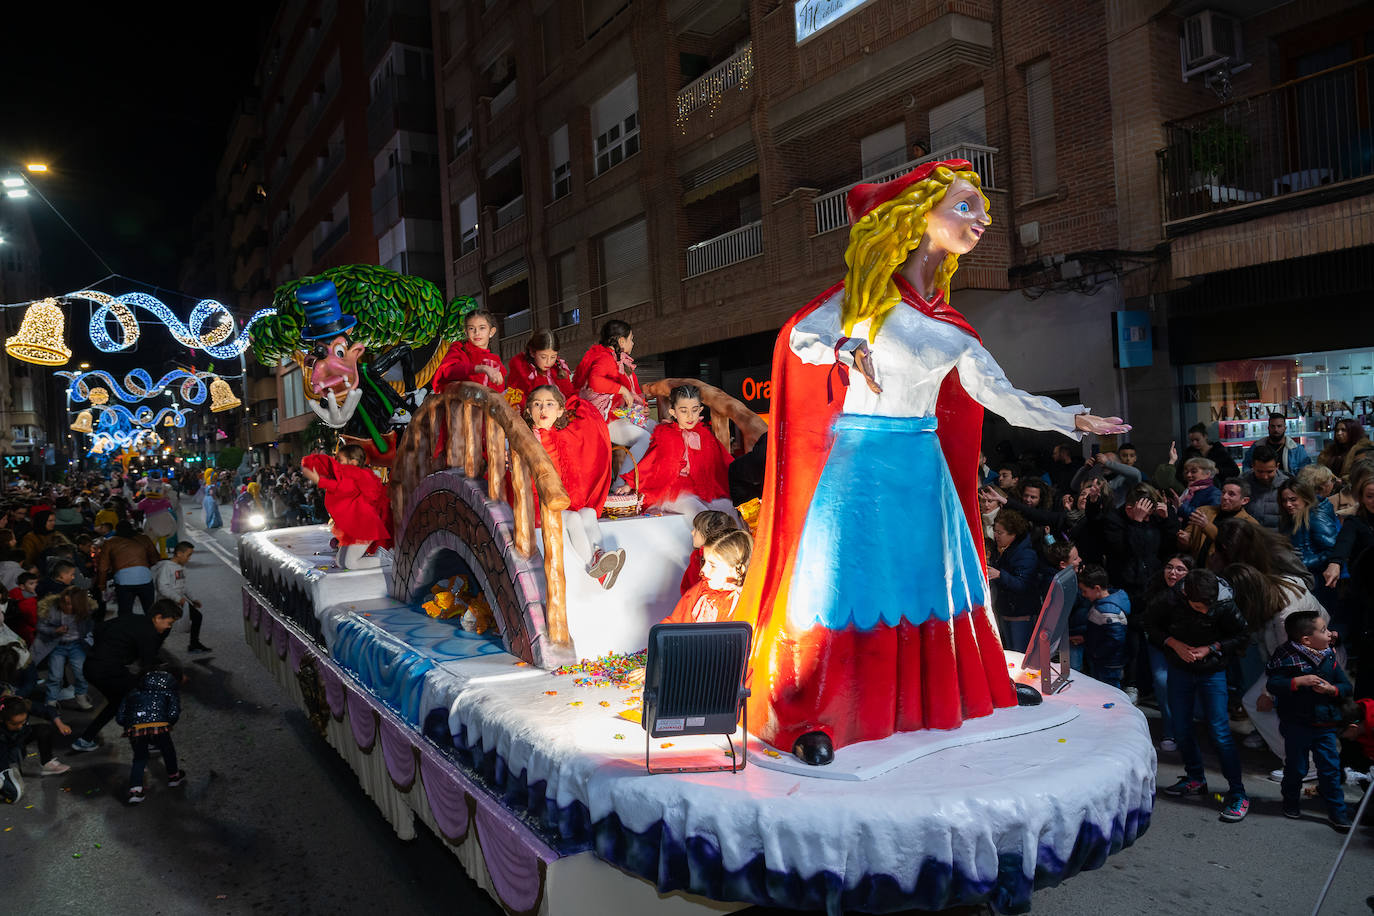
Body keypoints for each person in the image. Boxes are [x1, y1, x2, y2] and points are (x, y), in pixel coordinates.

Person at [737, 160, 1126, 765]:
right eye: (966, 207)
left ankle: (956, 693)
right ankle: (813, 712)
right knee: (844, 587)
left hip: (922, 468)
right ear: (919, 216)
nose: (981, 221)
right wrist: (845, 347)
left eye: (983, 211)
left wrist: (1070, 420)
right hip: (861, 465)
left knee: (934, 584)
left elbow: (1003, 397)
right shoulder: (863, 301)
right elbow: (797, 339)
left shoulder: (954, 329)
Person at [1148, 568, 1251, 821]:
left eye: (1209, 606)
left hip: (1213, 671)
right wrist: (1173, 643)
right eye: (1198, 606)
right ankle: (1195, 779)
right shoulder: (1170, 599)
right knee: (1181, 728)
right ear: (1185, 593)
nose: (1205, 611)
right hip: (1180, 668)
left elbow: (1242, 635)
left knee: (1219, 731)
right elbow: (1149, 624)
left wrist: (1212, 648)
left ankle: (1238, 793)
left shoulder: (1224, 602)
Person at [1227, 562, 1329, 766]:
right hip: (1309, 658)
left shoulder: (1285, 614)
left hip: (1310, 663)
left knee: (1273, 707)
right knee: (1257, 703)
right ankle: (1301, 761)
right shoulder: (1276, 586)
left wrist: (1269, 693)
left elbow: (1291, 658)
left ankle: (1304, 764)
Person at [524, 385, 624, 588]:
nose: (543, 409)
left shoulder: (562, 435)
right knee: (573, 518)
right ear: (528, 411)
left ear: (560, 411)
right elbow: (510, 456)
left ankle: (600, 560)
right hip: (540, 502)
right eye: (537, 404)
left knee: (588, 513)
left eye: (549, 404)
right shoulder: (526, 437)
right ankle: (593, 565)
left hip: (562, 499)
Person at [1266, 610, 1353, 830]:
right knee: (1296, 767)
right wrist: (1298, 681)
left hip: (1325, 725)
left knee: (1330, 769)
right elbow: (1273, 685)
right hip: (1296, 724)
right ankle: (1291, 801)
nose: (1330, 634)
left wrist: (1332, 689)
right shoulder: (1284, 656)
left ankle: (1337, 813)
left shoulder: (1329, 656)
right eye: (1324, 630)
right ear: (1306, 639)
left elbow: (1345, 687)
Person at [614, 384, 736, 529]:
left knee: (729, 507)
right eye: (683, 411)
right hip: (671, 488)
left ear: (700, 410)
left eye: (694, 410)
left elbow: (724, 462)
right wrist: (631, 484)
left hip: (698, 487)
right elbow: (650, 462)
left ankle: (740, 547)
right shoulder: (665, 436)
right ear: (673, 412)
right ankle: (707, 547)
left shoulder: (705, 436)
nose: (690, 416)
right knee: (697, 510)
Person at [69, 600, 182, 752]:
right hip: (109, 671)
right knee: (140, 699)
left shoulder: (132, 618)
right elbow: (148, 665)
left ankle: (85, 740)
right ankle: (145, 742)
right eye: (169, 623)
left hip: (91, 666)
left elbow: (100, 628)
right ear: (158, 617)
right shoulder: (148, 633)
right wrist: (175, 676)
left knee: (118, 703)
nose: (169, 627)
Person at [572, 319, 652, 466]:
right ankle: (622, 484)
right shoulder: (605, 358)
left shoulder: (618, 360)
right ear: (622, 341)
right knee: (645, 438)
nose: (633, 343)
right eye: (631, 339)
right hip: (602, 421)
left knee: (659, 430)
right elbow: (595, 380)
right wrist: (623, 391)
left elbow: (635, 391)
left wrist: (642, 408)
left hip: (618, 415)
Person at [300, 446, 393, 570]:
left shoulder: (359, 476)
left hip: (365, 526)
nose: (336, 461)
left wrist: (318, 479)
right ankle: (381, 556)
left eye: (340, 459)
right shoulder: (349, 475)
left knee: (350, 563)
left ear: (353, 462)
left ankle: (388, 560)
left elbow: (341, 487)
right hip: (355, 526)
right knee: (341, 561)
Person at [1141, 555, 1192, 753]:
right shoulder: (1155, 591)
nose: (1173, 572)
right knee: (1163, 683)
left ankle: (1185, 730)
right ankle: (1170, 731)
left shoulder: (1197, 593)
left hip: (1188, 647)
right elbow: (1149, 625)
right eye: (1169, 567)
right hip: (1161, 645)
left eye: (1180, 569)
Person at [115, 667, 184, 805]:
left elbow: (120, 717)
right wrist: (167, 722)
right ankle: (173, 777)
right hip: (160, 725)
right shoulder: (169, 692)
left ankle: (136, 790)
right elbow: (173, 713)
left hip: (136, 728)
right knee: (167, 749)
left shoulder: (132, 693)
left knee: (140, 756)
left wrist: (130, 724)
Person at [1, 695, 72, 803]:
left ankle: (47, 763)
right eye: (14, 723)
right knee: (10, 784)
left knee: (44, 729)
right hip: (3, 746)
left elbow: (49, 709)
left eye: (23, 721)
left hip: (20, 738)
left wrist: (60, 724)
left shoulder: (24, 705)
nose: (20, 726)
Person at [32, 586, 93, 709]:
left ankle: (81, 697)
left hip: (76, 645)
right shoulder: (52, 610)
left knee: (81, 673)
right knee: (55, 676)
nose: (66, 605)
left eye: (70, 603)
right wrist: (55, 631)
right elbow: (40, 627)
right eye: (64, 602)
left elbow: (89, 629)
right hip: (57, 646)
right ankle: (51, 702)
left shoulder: (85, 613)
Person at [988, 510, 1039, 652]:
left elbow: (1023, 585)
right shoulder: (1001, 549)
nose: (996, 536)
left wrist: (999, 575)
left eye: (1000, 533)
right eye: (995, 531)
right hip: (1005, 611)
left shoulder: (1026, 554)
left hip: (1021, 615)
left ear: (1013, 533)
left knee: (1020, 655)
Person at [1178, 478, 1256, 567]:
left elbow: (1234, 548)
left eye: (1231, 494)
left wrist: (1206, 526)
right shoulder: (1203, 511)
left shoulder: (1249, 523)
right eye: (1223, 492)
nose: (1225, 497)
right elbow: (1187, 543)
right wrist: (1184, 541)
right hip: (1196, 569)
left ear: (1244, 500)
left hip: (1224, 574)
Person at [1277, 478, 1338, 588]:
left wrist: (1302, 562)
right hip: (1302, 577)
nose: (1288, 504)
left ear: (1305, 498)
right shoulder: (1289, 518)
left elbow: (1333, 550)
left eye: (1293, 499)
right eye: (1284, 500)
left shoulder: (1316, 516)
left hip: (1318, 580)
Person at [1078, 564, 1129, 689]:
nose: (1083, 595)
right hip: (1104, 659)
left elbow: (1115, 638)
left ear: (1096, 588)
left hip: (1108, 663)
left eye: (1085, 591)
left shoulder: (1108, 610)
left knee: (1109, 692)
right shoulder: (1104, 604)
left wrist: (1097, 653)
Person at [432, 308, 507, 392]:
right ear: (466, 332)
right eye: (471, 328)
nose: (477, 333)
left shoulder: (495, 362)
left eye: (482, 328)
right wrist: (481, 368)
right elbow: (448, 371)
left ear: (491, 332)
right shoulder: (459, 349)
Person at [96, 521, 161, 618]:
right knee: (150, 611)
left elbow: (102, 568)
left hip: (123, 581)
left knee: (124, 613)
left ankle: (126, 631)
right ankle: (152, 631)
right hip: (145, 578)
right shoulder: (144, 538)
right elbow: (155, 558)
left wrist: (102, 586)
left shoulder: (109, 542)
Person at [155, 541, 208, 652]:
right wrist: (179, 599)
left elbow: (183, 586)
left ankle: (194, 644)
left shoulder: (180, 567)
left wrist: (193, 599)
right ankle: (153, 651)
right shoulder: (166, 567)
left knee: (197, 617)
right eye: (188, 555)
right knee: (164, 629)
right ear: (179, 553)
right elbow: (162, 588)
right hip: (166, 602)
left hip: (178, 601)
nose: (189, 559)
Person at [506, 330, 576, 407]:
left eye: (553, 357)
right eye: (543, 357)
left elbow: (570, 396)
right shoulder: (521, 372)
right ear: (532, 352)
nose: (548, 362)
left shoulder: (559, 369)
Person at [680, 510, 738, 595]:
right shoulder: (733, 555)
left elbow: (689, 588)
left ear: (708, 534)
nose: (692, 533)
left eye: (697, 529)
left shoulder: (698, 558)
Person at [1240, 444, 1288, 529]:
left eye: (1269, 472)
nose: (1265, 477)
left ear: (1277, 466)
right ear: (1253, 466)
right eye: (1260, 472)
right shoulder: (1241, 483)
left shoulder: (1287, 485)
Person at [6, 572, 39, 646]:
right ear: (22, 586)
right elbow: (34, 621)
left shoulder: (13, 592)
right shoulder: (28, 602)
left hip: (13, 629)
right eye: (31, 584)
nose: (35, 585)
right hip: (27, 632)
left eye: (36, 583)